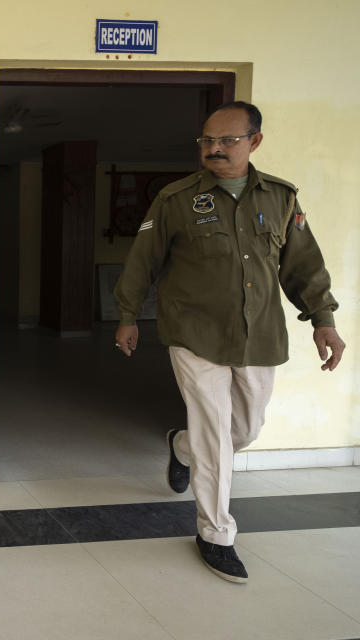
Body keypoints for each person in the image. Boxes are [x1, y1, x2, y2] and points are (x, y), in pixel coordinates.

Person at [113, 102, 345, 583]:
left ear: (254, 141)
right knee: (216, 436)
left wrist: (322, 319)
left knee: (245, 430)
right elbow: (143, 260)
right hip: (193, 333)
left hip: (258, 334)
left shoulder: (281, 199)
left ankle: (181, 447)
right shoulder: (175, 199)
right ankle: (216, 534)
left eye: (226, 141)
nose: (213, 149)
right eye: (206, 141)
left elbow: (301, 266)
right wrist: (128, 314)